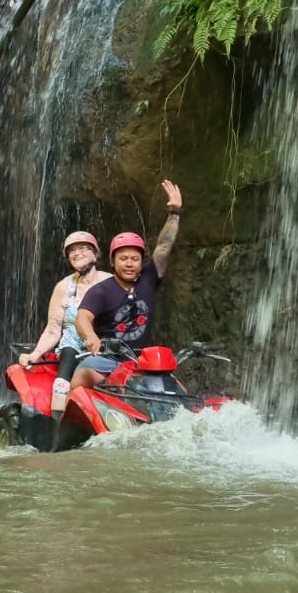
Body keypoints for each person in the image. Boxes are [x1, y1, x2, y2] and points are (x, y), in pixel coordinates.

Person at [72, 179, 183, 389]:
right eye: (123, 259)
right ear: (113, 262)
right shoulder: (101, 290)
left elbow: (164, 246)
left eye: (135, 259)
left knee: (178, 392)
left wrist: (175, 214)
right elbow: (82, 318)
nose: (130, 264)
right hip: (106, 359)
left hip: (143, 362)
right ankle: (68, 421)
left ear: (142, 262)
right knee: (82, 377)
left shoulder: (149, 279)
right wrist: (91, 337)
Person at [18, 230, 110, 422]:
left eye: (83, 248)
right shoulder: (63, 287)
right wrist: (34, 354)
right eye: (72, 251)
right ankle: (57, 425)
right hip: (73, 345)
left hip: (107, 344)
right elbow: (53, 329)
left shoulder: (111, 282)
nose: (77, 253)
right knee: (63, 378)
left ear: (95, 253)